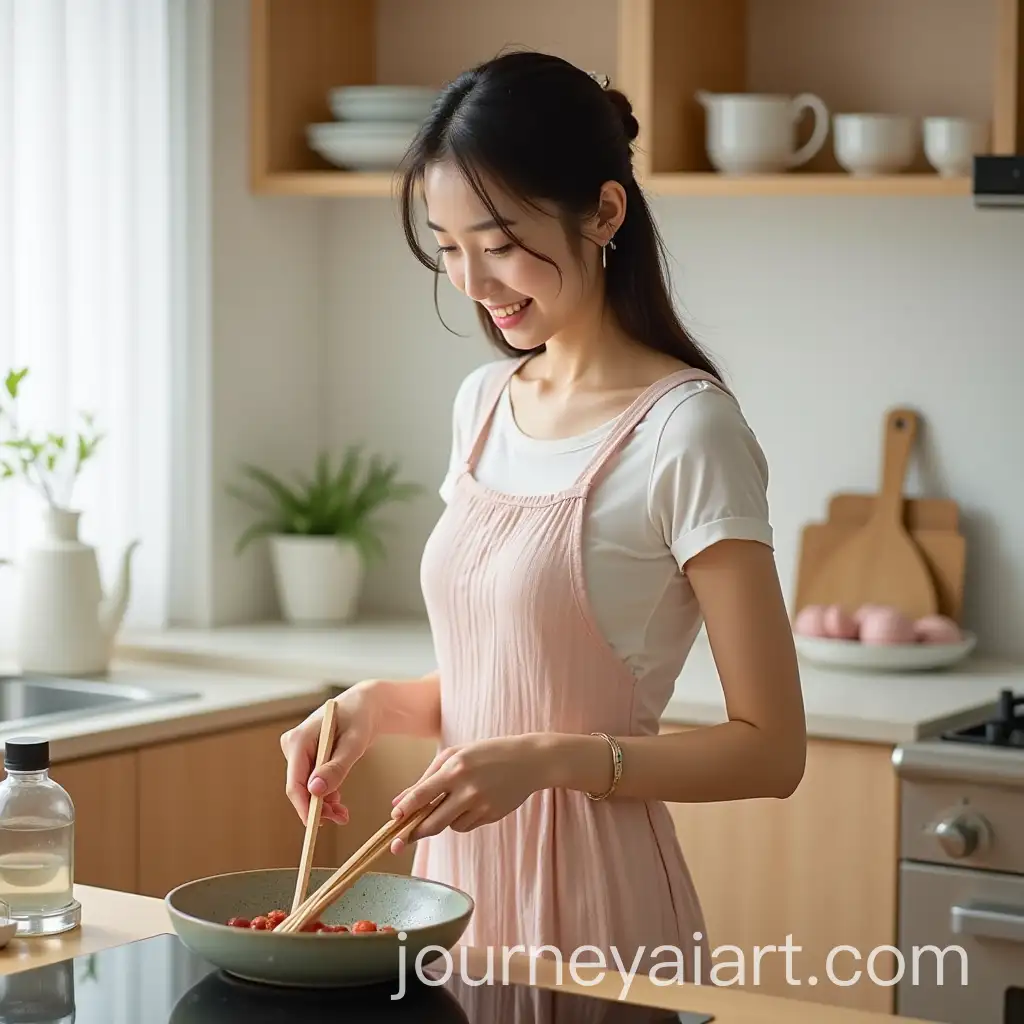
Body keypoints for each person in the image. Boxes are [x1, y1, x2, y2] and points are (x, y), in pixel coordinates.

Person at [281, 50, 806, 979]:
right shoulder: (483, 404)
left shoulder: (689, 431)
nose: (474, 283)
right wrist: (377, 705)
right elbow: (511, 683)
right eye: (446, 248)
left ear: (605, 212)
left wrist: (553, 763)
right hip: (445, 899)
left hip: (597, 907)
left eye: (498, 242)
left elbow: (771, 753)